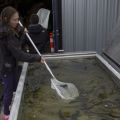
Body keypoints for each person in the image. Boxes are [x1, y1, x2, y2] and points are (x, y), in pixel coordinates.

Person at [0, 6, 43, 120]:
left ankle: (12, 102)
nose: (16, 21)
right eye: (14, 19)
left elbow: (17, 32)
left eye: (17, 19)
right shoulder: (5, 34)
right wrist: (37, 58)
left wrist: (21, 29)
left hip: (12, 65)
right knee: (8, 91)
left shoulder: (10, 28)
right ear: (6, 19)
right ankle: (6, 114)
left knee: (14, 88)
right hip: (6, 68)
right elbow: (19, 54)